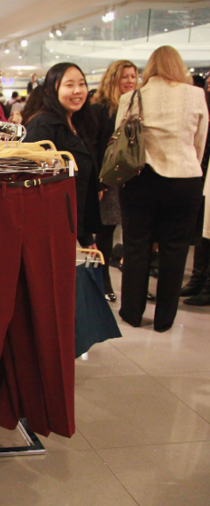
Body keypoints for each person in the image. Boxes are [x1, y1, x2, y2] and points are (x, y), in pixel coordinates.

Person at [116, 46, 208, 331]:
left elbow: (119, 135)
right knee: (175, 249)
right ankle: (164, 319)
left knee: (136, 245)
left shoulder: (131, 97)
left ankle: (132, 311)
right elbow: (200, 140)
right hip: (184, 179)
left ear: (150, 66)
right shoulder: (195, 94)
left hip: (140, 177)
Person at [24, 62, 101, 250]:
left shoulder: (78, 124)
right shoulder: (43, 125)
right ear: (51, 90)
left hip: (70, 226)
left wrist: (86, 238)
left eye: (82, 84)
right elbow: (30, 183)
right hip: (48, 229)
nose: (78, 91)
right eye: (69, 85)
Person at [90, 60, 139, 302]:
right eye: (125, 76)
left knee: (132, 232)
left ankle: (133, 285)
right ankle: (103, 280)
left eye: (133, 76)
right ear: (113, 79)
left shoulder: (137, 107)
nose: (130, 81)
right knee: (106, 233)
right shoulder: (101, 109)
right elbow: (96, 146)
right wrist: (100, 182)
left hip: (133, 178)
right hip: (108, 178)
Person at [181, 75, 210, 306]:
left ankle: (206, 283)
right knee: (204, 231)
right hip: (203, 173)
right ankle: (198, 279)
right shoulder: (203, 102)